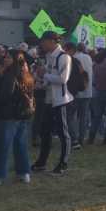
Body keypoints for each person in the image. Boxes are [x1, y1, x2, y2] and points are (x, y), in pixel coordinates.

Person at [0, 49, 35, 186]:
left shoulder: (10, 75)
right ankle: (24, 172)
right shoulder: (27, 75)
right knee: (20, 145)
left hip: (9, 114)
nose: (5, 59)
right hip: (23, 114)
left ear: (14, 59)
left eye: (8, 57)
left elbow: (5, 95)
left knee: (4, 145)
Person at [33, 31, 73, 175]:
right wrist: (40, 81)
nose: (42, 45)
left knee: (63, 133)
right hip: (49, 100)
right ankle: (41, 162)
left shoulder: (64, 57)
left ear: (51, 41)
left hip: (61, 101)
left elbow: (63, 79)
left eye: (43, 42)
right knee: (45, 132)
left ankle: (63, 163)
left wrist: (45, 75)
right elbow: (49, 78)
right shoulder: (49, 57)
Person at [66, 42, 93, 150]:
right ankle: (81, 138)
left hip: (75, 92)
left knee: (70, 116)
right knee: (83, 116)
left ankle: (74, 137)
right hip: (87, 90)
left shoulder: (71, 58)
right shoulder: (88, 58)